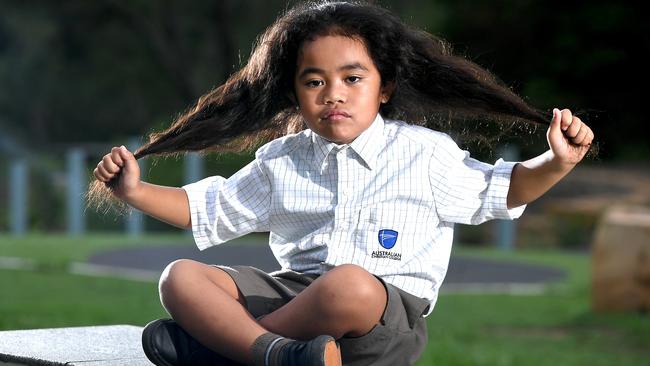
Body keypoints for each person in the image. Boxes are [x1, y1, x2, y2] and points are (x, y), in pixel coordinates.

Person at [89, 2, 594, 366]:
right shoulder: (281, 159)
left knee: (348, 282)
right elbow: (207, 209)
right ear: (295, 92)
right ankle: (276, 355)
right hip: (292, 299)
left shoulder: (423, 152)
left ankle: (228, 350)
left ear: (385, 86)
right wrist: (134, 190)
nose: (334, 94)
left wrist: (556, 160)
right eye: (314, 82)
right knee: (180, 277)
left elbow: (502, 191)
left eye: (353, 79)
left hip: (378, 319)